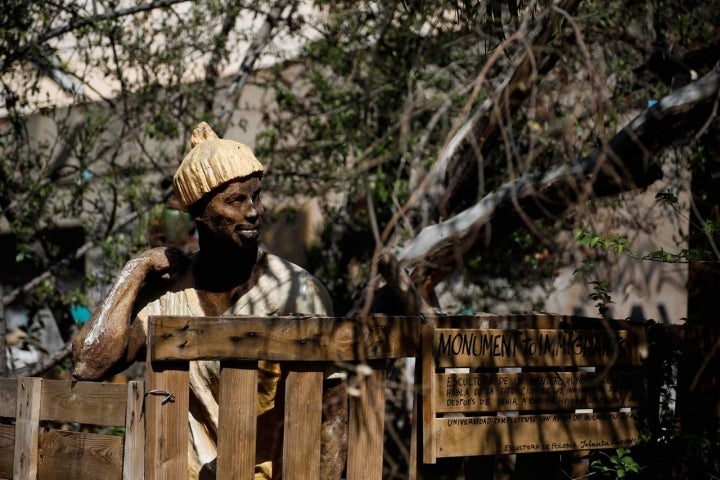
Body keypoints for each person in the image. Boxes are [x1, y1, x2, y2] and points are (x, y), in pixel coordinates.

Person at [72, 122, 348, 479]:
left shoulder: (295, 291)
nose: (252, 211)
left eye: (255, 196)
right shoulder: (171, 296)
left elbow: (334, 408)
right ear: (199, 212)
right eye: (235, 200)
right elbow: (88, 365)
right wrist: (136, 269)